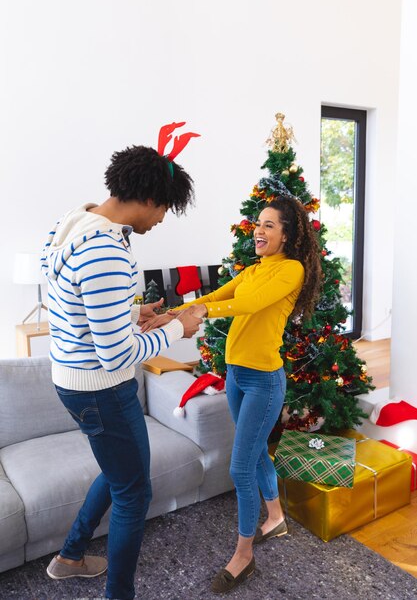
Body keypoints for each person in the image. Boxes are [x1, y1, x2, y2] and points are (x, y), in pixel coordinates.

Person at [41, 139, 203, 600]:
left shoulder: (73, 223)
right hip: (102, 389)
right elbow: (115, 356)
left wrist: (134, 315)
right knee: (134, 493)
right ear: (149, 198)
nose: (162, 219)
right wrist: (179, 329)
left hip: (73, 380)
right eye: (165, 209)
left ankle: (71, 555)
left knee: (121, 473)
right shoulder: (107, 251)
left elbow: (80, 311)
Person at [142, 195, 322, 593]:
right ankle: (275, 517)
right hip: (238, 376)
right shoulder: (256, 269)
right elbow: (220, 295)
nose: (259, 230)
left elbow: (248, 304)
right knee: (254, 453)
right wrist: (171, 314)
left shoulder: (289, 270)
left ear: (287, 234)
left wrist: (202, 315)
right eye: (259, 223)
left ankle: (244, 557)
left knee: (240, 468)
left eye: (270, 225)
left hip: (264, 381)